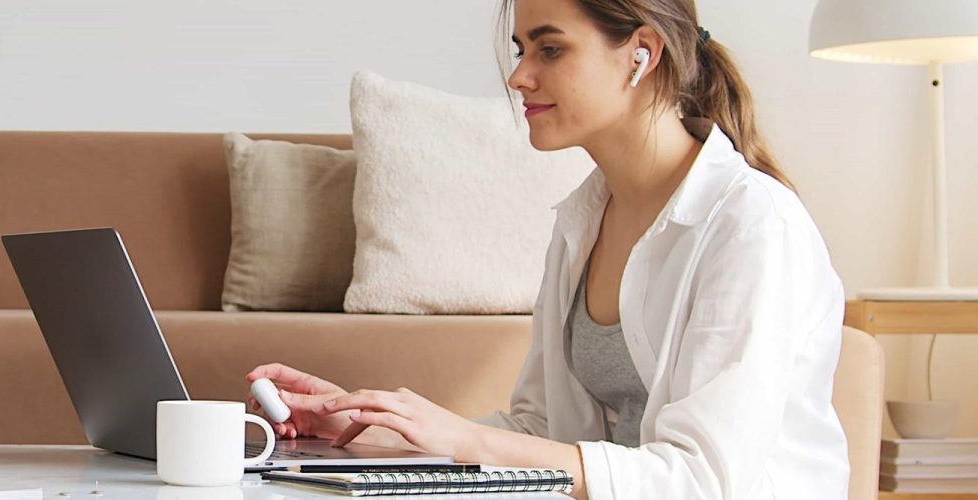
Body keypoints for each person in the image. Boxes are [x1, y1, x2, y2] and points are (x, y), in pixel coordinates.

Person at [247, 0, 849, 498]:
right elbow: (540, 432)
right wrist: (372, 427)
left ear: (643, 52)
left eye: (550, 48)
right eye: (520, 49)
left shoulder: (752, 226)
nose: (518, 76)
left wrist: (460, 436)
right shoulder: (582, 220)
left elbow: (704, 480)